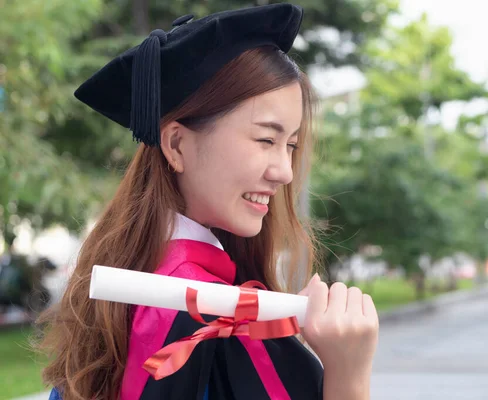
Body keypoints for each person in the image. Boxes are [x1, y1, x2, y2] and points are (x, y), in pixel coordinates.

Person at [36, 3, 379, 400]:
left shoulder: (145, 281)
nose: (285, 171)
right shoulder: (182, 310)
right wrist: (349, 377)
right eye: (266, 139)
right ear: (177, 144)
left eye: (291, 145)